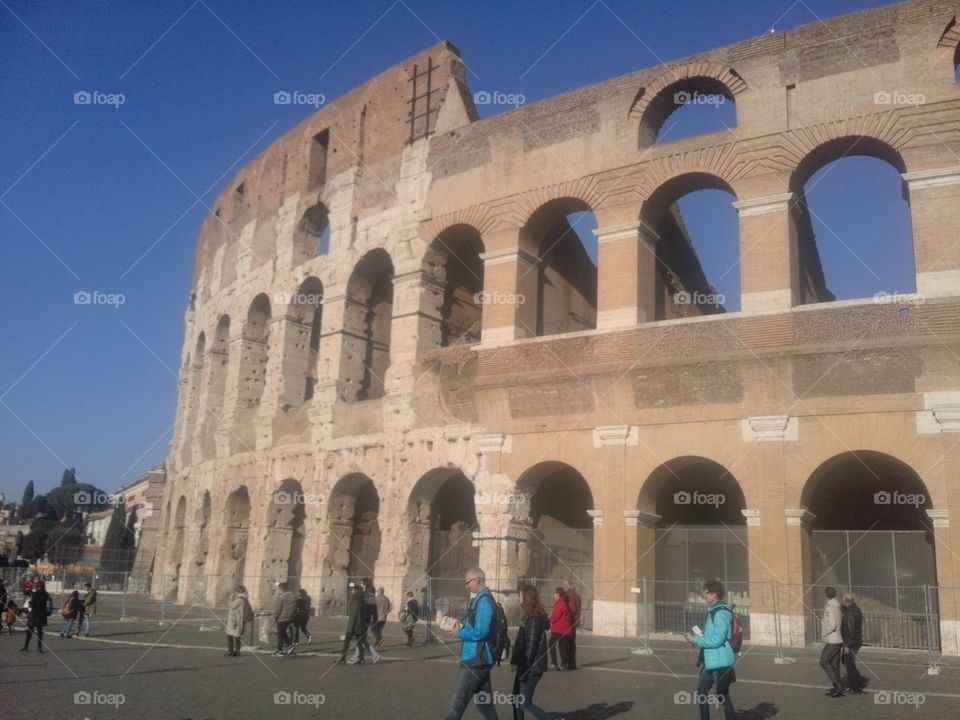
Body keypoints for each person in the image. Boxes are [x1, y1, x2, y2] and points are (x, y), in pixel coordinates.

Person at [445, 567, 500, 720]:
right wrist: (460, 624)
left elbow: (481, 632)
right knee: (485, 705)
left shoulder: (485, 603)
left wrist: (459, 633)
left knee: (457, 704)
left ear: (477, 580)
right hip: (477, 657)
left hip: (477, 659)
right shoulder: (479, 600)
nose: (466, 585)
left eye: (467, 581)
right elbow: (474, 623)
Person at [684, 580, 737, 720]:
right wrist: (699, 635)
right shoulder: (713, 611)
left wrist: (696, 639)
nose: (704, 595)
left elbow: (717, 639)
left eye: (707, 593)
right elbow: (713, 635)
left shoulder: (720, 613)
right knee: (701, 692)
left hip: (720, 661)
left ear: (714, 595)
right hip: (711, 661)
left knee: (722, 695)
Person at [510, 584, 556, 720]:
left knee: (524, 703)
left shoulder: (534, 618)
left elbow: (531, 647)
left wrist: (523, 668)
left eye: (520, 596)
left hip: (531, 667)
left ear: (526, 598)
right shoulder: (529, 616)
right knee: (516, 699)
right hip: (526, 664)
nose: (518, 599)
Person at [336, 584, 373, 664]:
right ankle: (361, 658)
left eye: (353, 590)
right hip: (361, 626)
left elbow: (353, 617)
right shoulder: (362, 602)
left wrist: (350, 629)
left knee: (347, 641)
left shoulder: (355, 603)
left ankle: (343, 658)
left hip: (354, 627)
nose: (352, 591)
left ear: (356, 592)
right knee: (359, 643)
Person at [820, 586, 845, 697]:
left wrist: (824, 633)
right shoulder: (837, 605)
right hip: (838, 639)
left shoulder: (830, 607)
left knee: (824, 661)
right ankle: (837, 689)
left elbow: (832, 625)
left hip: (832, 639)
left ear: (826, 595)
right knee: (835, 665)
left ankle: (838, 686)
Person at [840, 592, 867, 693]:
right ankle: (859, 681)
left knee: (849, 664)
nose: (841, 601)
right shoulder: (856, 609)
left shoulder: (850, 613)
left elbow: (850, 630)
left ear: (846, 601)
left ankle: (856, 685)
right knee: (848, 663)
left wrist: (847, 645)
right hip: (856, 641)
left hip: (852, 643)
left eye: (842, 600)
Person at [21, 580, 51, 652]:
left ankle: (26, 646)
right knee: (39, 632)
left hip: (34, 615)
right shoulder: (46, 594)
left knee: (29, 631)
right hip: (42, 615)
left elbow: (32, 604)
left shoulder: (35, 594)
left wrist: (30, 603)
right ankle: (39, 648)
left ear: (37, 586)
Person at [548, 587, 573, 671]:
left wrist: (549, 618)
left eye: (554, 593)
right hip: (564, 629)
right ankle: (564, 664)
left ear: (558, 594)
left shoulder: (560, 603)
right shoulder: (563, 602)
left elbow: (555, 617)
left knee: (551, 644)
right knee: (562, 646)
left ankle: (554, 663)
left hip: (559, 629)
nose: (553, 595)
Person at [272, 582, 297, 657]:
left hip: (282, 617)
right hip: (290, 617)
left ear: (280, 589)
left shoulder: (282, 597)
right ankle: (290, 645)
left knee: (280, 634)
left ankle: (279, 650)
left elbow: (278, 608)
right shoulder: (293, 595)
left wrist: (275, 617)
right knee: (283, 632)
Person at [225, 585, 250, 657]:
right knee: (234, 635)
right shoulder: (242, 598)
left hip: (235, 620)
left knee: (234, 635)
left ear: (237, 591)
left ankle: (233, 651)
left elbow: (232, 606)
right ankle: (234, 651)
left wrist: (230, 599)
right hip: (235, 619)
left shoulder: (240, 599)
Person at [563, 581, 581, 670]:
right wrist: (578, 621)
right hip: (572, 620)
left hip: (567, 620)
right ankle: (571, 662)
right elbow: (578, 609)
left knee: (566, 642)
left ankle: (567, 662)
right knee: (571, 642)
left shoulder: (566, 595)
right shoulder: (576, 595)